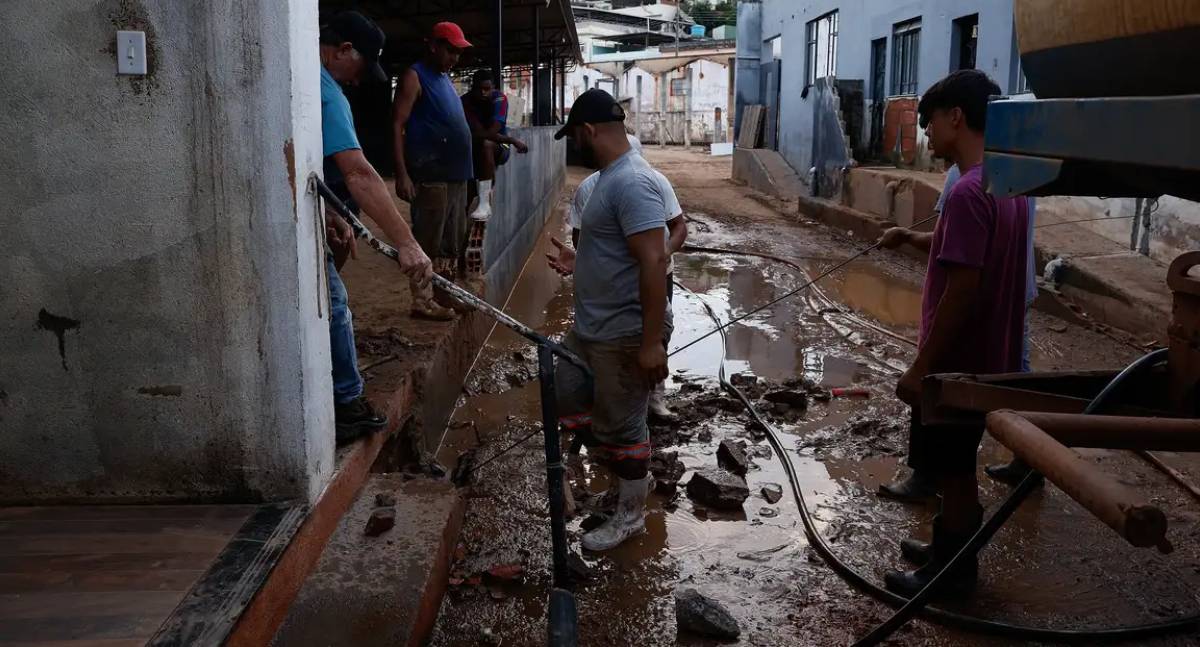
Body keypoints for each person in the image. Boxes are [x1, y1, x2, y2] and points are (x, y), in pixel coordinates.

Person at [874, 70, 1030, 595]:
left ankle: (953, 573)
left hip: (957, 362)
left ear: (955, 117)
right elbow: (963, 250)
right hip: (992, 356)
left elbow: (962, 289)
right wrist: (908, 238)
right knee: (956, 463)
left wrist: (922, 369)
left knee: (955, 469)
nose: (925, 134)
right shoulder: (1005, 183)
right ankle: (948, 545)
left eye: (930, 122)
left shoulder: (965, 192)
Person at [548, 89, 671, 552]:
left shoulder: (632, 183)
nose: (574, 145)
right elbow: (618, 254)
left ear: (588, 131)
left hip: (621, 335)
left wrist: (651, 342)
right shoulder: (607, 181)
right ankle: (622, 485)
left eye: (575, 137)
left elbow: (654, 262)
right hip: (588, 330)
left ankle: (631, 515)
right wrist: (580, 259)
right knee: (568, 396)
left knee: (624, 427)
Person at [318, 11, 434, 443]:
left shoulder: (307, 83)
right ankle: (346, 405)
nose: (359, 78)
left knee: (329, 302)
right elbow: (360, 174)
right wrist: (406, 243)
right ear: (344, 50)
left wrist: (331, 212)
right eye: (361, 66)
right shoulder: (327, 94)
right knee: (333, 305)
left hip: (310, 213)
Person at [553, 133, 687, 419]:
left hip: (658, 272)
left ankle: (653, 396)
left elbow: (678, 226)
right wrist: (584, 261)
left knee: (655, 330)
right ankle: (610, 396)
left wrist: (661, 253)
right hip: (612, 280)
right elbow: (582, 238)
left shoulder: (650, 181)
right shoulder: (589, 190)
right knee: (612, 338)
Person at [393, 22, 474, 320]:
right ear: (433, 45)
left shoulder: (444, 79)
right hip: (432, 172)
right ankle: (422, 300)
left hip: (456, 173)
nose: (455, 57)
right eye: (450, 50)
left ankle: (444, 293)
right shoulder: (415, 76)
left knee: (451, 240)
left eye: (458, 52)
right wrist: (402, 173)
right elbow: (397, 124)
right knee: (427, 239)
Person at [461, 69, 528, 221]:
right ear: (473, 88)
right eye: (480, 89)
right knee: (467, 192)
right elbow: (478, 132)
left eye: (487, 89)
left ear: (493, 88)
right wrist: (512, 140)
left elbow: (492, 132)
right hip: (475, 147)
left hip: (499, 147)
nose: (484, 93)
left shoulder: (500, 99)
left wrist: (507, 142)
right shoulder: (465, 101)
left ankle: (484, 203)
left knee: (486, 144)